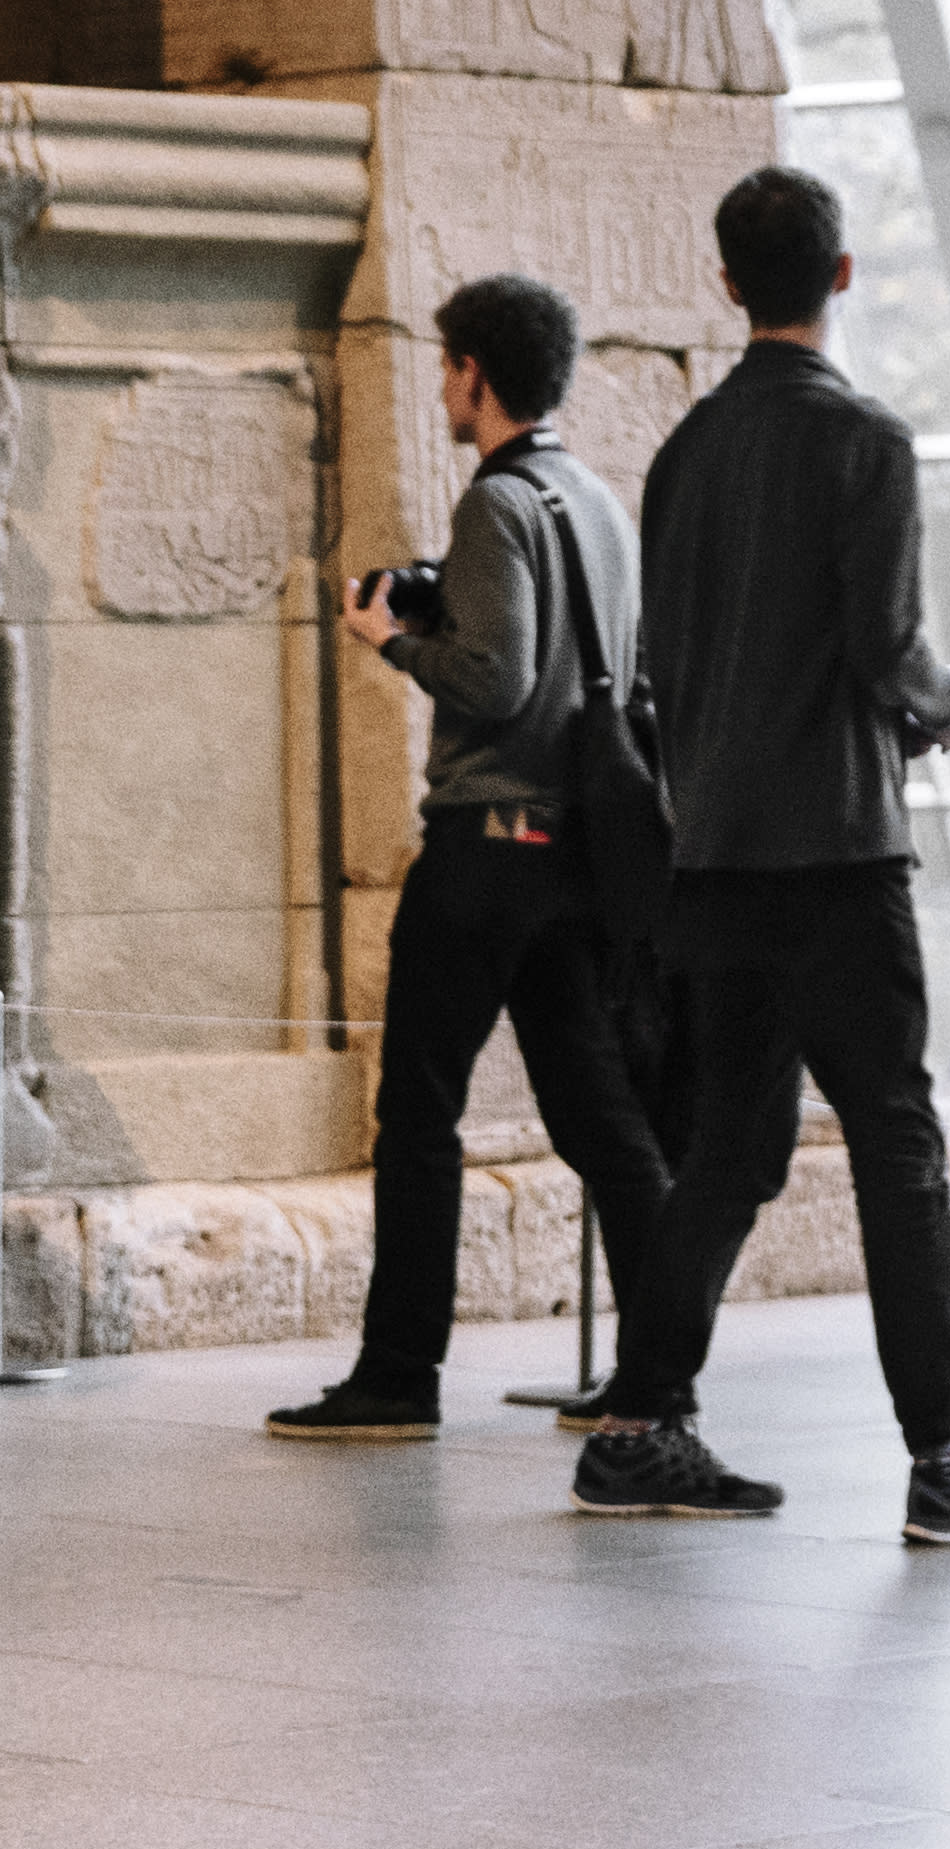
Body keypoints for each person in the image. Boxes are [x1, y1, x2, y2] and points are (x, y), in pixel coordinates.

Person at [622, 162, 950, 1543]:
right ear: (841, 276)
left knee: (729, 1151)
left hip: (712, 859)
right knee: (896, 1143)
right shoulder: (866, 442)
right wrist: (947, 705)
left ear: (726, 283)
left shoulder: (681, 455)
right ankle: (945, 1455)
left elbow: (662, 672)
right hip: (835, 853)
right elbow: (889, 653)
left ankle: (641, 1423)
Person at [266, 277, 697, 1464]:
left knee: (418, 1116)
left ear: (474, 375)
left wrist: (391, 636)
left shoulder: (498, 505)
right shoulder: (597, 501)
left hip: (484, 853)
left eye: (449, 369)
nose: (444, 390)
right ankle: (661, 1373)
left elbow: (495, 681)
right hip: (579, 860)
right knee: (602, 1124)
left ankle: (399, 1374)